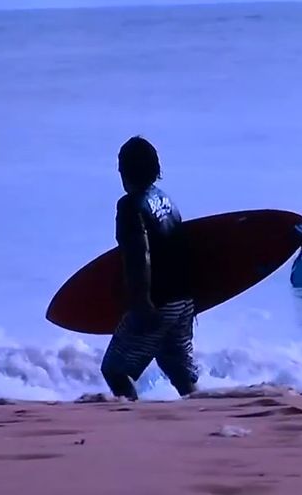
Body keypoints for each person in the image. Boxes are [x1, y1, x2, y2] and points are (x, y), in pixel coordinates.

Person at [99, 136, 198, 401]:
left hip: (157, 301)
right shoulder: (166, 200)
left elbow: (138, 254)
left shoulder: (130, 205)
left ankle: (132, 415)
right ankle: (200, 409)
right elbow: (181, 248)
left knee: (114, 370)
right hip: (183, 301)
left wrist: (141, 302)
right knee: (176, 367)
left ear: (124, 170)